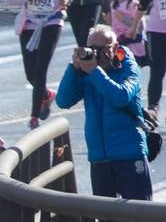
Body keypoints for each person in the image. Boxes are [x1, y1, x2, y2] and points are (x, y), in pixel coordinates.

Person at [55, 23, 152, 201]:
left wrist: (94, 71)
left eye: (101, 49)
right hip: (99, 156)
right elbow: (63, 101)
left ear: (114, 47)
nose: (96, 54)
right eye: (91, 49)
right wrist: (74, 68)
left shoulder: (127, 65)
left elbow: (121, 96)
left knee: (141, 217)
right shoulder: (88, 71)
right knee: (106, 219)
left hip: (129, 153)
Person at [6, 0, 75, 130]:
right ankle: (46, 94)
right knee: (31, 74)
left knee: (41, 69)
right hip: (29, 23)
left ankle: (34, 116)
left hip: (52, 22)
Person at [138, 0, 166, 113]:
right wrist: (134, 26)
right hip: (156, 29)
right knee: (157, 70)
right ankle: (152, 108)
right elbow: (144, 0)